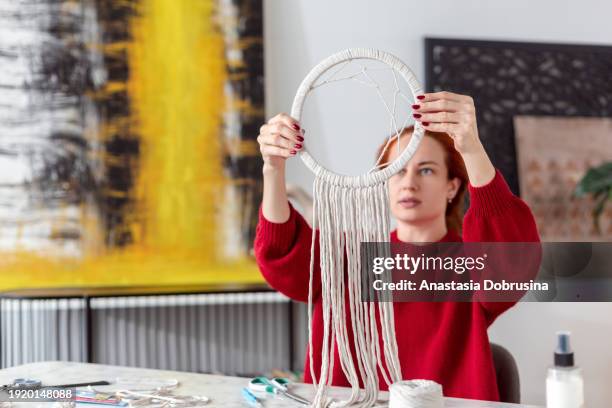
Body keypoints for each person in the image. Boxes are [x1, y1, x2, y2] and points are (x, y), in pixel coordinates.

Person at [253, 91, 540, 401]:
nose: (409, 182)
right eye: (398, 170)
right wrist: (273, 168)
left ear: (452, 186)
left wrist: (470, 146)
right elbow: (281, 256)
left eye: (426, 169)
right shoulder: (347, 260)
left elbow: (511, 263)